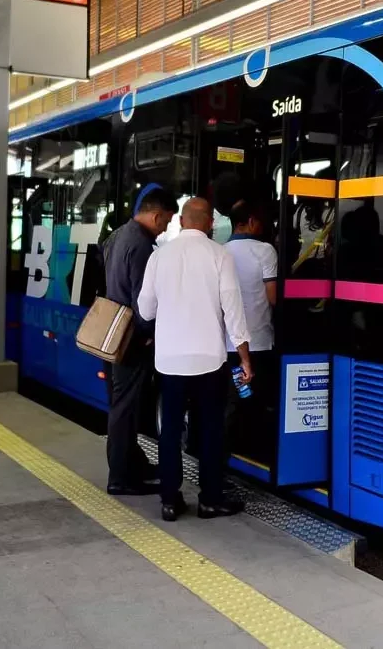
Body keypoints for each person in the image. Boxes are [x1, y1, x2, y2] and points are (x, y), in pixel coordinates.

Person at [137, 197, 253, 522]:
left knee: (171, 430)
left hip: (170, 360)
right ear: (210, 224)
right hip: (209, 360)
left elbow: (145, 309)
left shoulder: (159, 257)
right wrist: (245, 358)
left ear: (182, 222)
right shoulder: (221, 256)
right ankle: (210, 500)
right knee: (210, 430)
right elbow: (233, 310)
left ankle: (170, 501)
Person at [101, 184, 178, 495]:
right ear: (156, 215)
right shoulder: (143, 246)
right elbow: (143, 301)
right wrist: (149, 336)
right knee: (126, 408)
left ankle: (132, 464)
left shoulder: (118, 235)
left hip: (112, 331)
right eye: (167, 221)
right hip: (131, 338)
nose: (166, 229)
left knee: (121, 404)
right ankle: (121, 477)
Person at [224, 201, 279, 457]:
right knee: (252, 400)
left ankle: (227, 453)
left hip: (227, 343)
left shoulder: (220, 251)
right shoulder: (265, 251)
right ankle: (250, 449)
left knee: (235, 398)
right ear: (252, 221)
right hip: (257, 342)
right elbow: (273, 297)